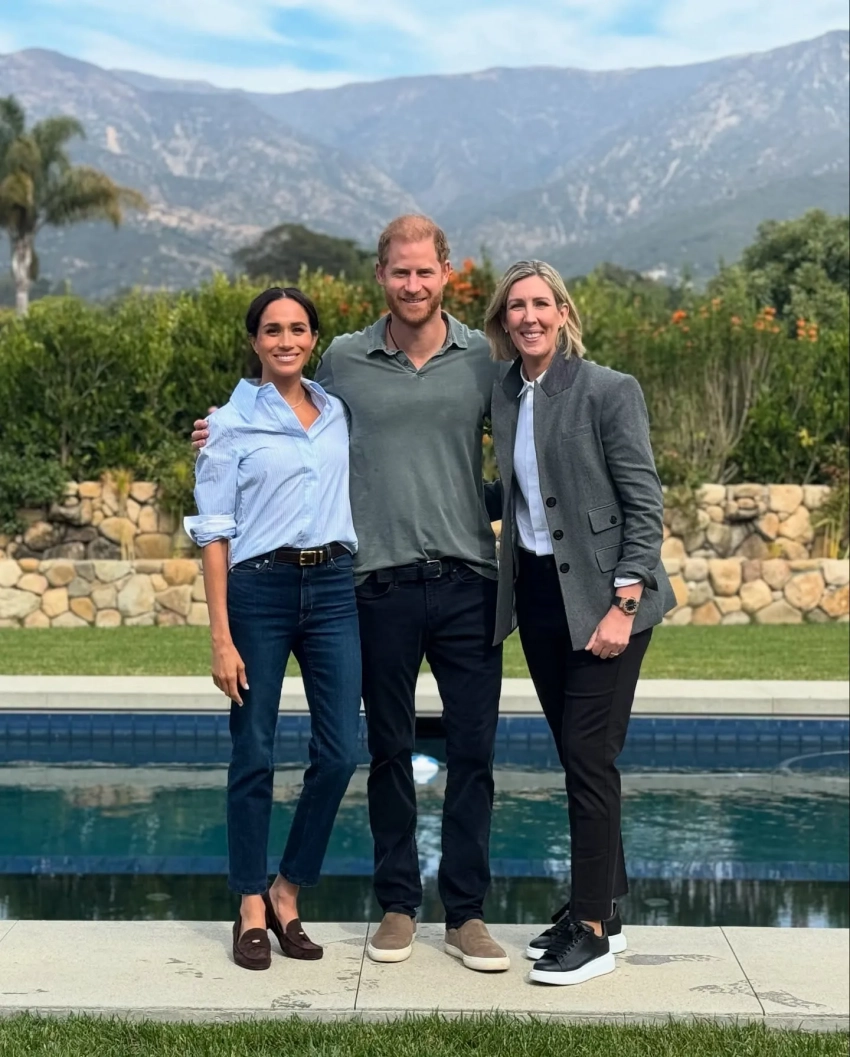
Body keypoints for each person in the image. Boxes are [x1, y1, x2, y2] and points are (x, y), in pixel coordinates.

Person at [193, 215, 510, 973]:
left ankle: (461, 914)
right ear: (381, 275)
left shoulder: (482, 357)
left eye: (425, 271)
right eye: (400, 271)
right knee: (373, 751)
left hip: (456, 580)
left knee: (451, 753)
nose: (413, 284)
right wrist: (218, 428)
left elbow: (523, 446)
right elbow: (268, 424)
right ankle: (378, 906)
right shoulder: (341, 362)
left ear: (447, 272)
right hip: (366, 584)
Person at [482, 260, 675, 986]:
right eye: (516, 307)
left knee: (591, 758)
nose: (529, 316)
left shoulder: (608, 389)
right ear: (504, 321)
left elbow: (644, 504)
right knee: (577, 755)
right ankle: (605, 907)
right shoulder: (506, 392)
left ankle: (591, 931)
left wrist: (623, 605)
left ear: (562, 312)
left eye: (541, 304)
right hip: (537, 595)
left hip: (604, 600)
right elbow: (517, 490)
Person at [184, 287, 361, 972]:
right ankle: (251, 904)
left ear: (313, 338)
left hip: (334, 587)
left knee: (341, 750)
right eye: (272, 330)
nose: (286, 340)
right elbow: (215, 532)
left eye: (298, 328)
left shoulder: (338, 411)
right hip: (258, 590)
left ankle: (288, 887)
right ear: (254, 340)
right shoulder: (227, 424)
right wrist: (221, 637)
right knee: (253, 750)